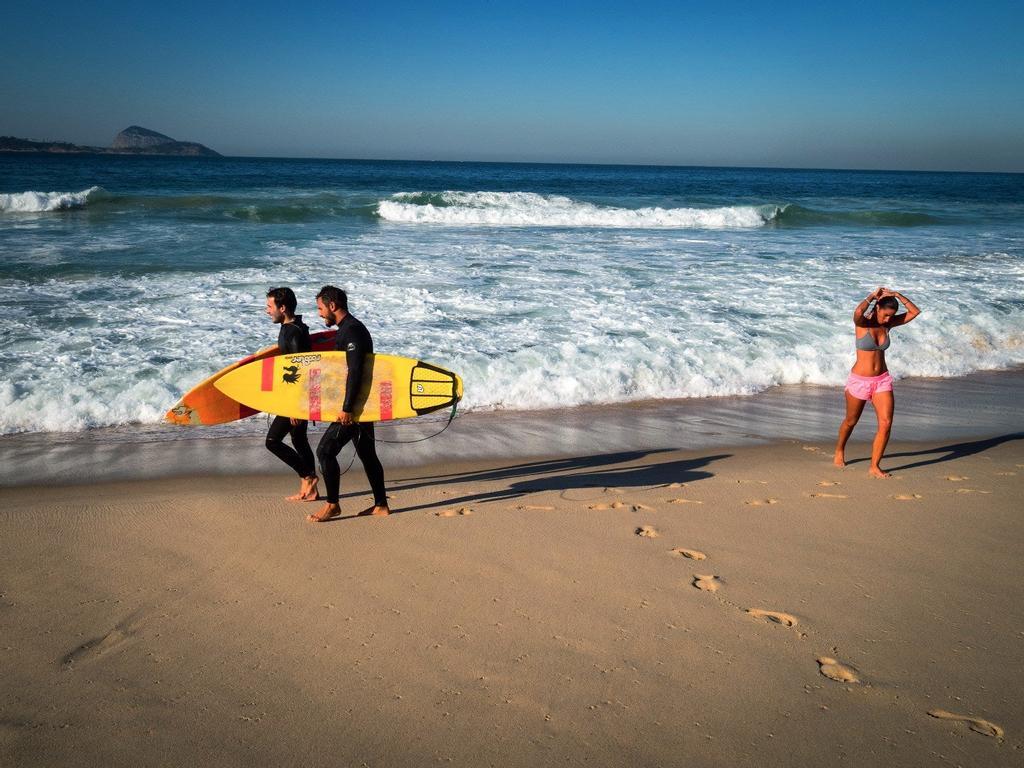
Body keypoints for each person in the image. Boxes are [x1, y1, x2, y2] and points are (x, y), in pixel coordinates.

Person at [308, 285, 390, 522]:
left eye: (320, 308)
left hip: (355, 408)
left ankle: (332, 505)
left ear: (332, 306)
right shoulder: (348, 329)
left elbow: (355, 371)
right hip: (361, 404)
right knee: (367, 454)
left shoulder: (352, 331)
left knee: (325, 451)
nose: (319, 314)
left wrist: (347, 408)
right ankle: (381, 505)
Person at [834, 286, 921, 477]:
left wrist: (897, 295)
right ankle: (840, 449)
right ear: (877, 308)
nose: (888, 319)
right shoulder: (862, 323)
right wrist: (873, 295)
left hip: (882, 381)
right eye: (886, 314)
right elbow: (858, 312)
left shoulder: (887, 326)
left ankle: (874, 466)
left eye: (892, 316)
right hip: (859, 381)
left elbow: (915, 312)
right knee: (851, 421)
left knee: (886, 423)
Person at [264, 287, 319, 500]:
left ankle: (308, 476)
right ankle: (310, 490)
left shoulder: (293, 332)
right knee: (299, 439)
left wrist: (296, 407)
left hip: (297, 398)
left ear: (283, 308)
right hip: (298, 396)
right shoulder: (292, 328)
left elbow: (302, 370)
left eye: (270, 306)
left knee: (272, 441)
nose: (267, 310)